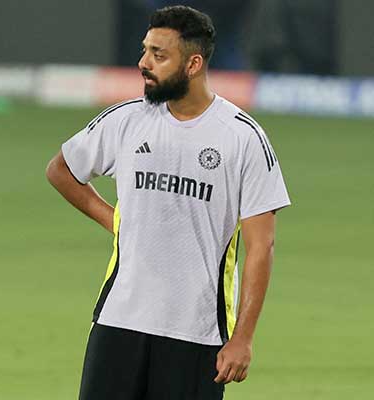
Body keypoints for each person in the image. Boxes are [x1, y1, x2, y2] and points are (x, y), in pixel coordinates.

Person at [46, 6, 290, 400]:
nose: (143, 63)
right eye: (145, 50)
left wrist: (242, 338)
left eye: (159, 55)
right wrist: (116, 221)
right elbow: (61, 170)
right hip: (118, 322)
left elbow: (262, 246)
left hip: (196, 333)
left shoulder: (242, 138)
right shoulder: (127, 121)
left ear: (193, 64)